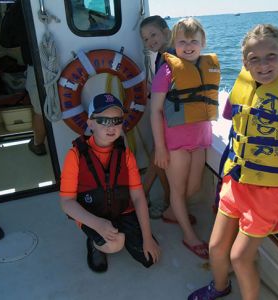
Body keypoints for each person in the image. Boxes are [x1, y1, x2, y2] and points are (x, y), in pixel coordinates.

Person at [188, 24, 278, 299]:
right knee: (216, 247)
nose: (263, 65)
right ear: (245, 63)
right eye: (254, 59)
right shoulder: (242, 83)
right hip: (235, 182)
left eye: (271, 56)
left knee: (240, 257)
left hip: (269, 192)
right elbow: (230, 118)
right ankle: (220, 287)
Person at [59, 93, 160, 273]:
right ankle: (94, 242)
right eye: (103, 121)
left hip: (123, 211)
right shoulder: (75, 156)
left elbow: (137, 197)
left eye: (116, 120)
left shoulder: (126, 155)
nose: (111, 126)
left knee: (148, 259)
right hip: (92, 214)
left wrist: (147, 238)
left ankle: (125, 232)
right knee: (116, 244)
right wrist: (97, 224)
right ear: (90, 123)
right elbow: (67, 203)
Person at [150, 17, 220, 259]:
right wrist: (160, 147)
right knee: (178, 190)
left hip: (200, 139)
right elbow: (155, 110)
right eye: (182, 41)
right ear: (174, 43)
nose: (188, 46)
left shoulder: (206, 66)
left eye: (193, 41)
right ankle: (189, 236)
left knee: (195, 187)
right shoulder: (166, 71)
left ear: (203, 43)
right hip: (175, 143)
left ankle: (171, 213)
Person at [0, 0, 47, 155]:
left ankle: (38, 144)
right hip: (70, 63)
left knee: (41, 111)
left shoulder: (22, 5)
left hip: (38, 67)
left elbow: (6, 41)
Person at [139, 15, 172, 219]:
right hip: (166, 114)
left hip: (173, 119)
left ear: (166, 32)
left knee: (158, 156)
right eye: (145, 38)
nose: (150, 40)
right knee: (155, 154)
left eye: (154, 34)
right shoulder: (161, 55)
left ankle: (169, 200)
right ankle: (143, 194)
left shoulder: (170, 56)